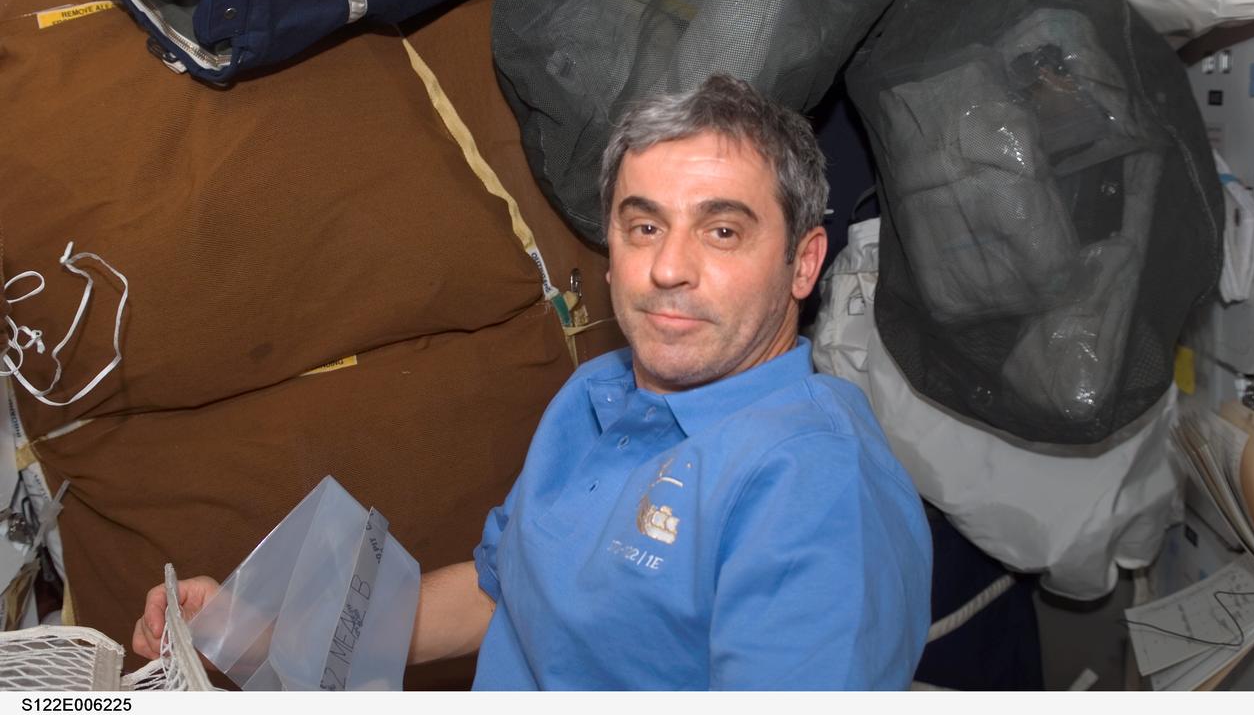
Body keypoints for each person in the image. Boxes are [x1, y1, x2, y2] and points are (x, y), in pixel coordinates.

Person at [134, 73, 932, 689]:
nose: (668, 267)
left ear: (803, 263)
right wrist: (263, 628)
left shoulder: (816, 486)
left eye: (722, 230)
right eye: (644, 225)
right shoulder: (596, 394)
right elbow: (500, 594)